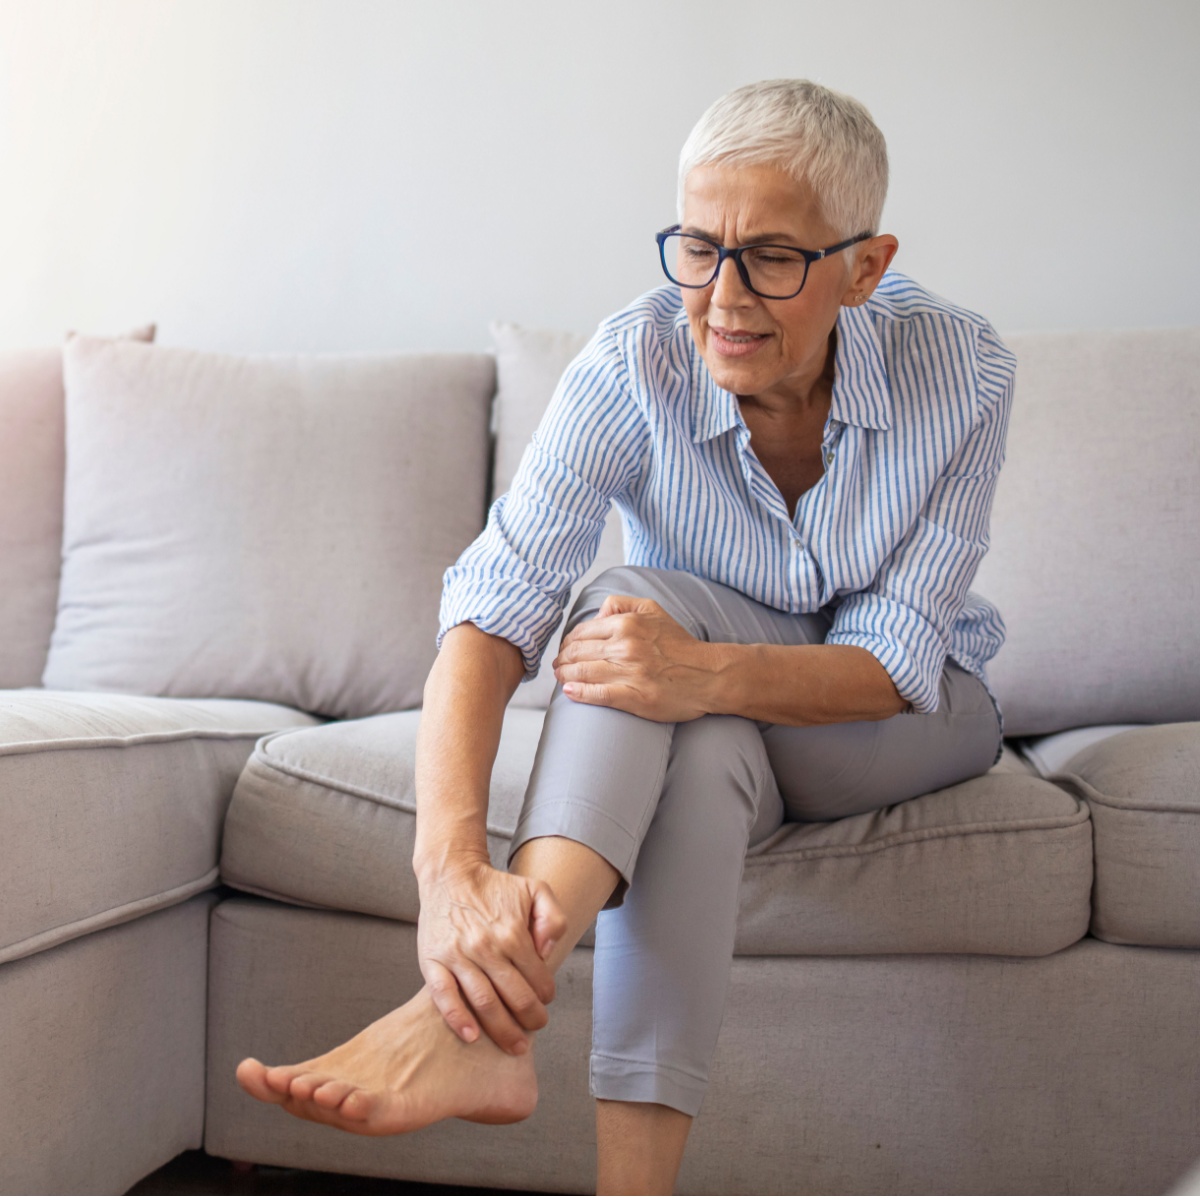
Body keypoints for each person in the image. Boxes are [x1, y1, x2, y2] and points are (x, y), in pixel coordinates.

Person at [235, 78, 1015, 1195]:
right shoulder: (629, 361)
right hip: (718, 725)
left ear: (865, 267)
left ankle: (466, 1030)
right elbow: (492, 609)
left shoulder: (965, 369)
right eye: (699, 248)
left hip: (913, 714)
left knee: (636, 599)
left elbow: (894, 662)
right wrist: (451, 875)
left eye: (775, 258)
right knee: (697, 755)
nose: (724, 299)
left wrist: (696, 667)